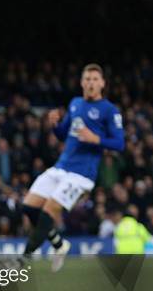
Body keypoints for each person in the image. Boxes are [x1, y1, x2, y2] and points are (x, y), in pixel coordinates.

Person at [21, 64, 124, 271]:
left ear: (102, 83)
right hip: (61, 167)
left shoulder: (109, 110)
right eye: (87, 79)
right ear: (81, 83)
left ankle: (21, 261)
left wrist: (96, 138)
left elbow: (119, 143)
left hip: (81, 175)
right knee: (29, 207)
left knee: (48, 211)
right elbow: (64, 134)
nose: (91, 83)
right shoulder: (75, 103)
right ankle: (59, 245)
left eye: (95, 79)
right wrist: (55, 125)